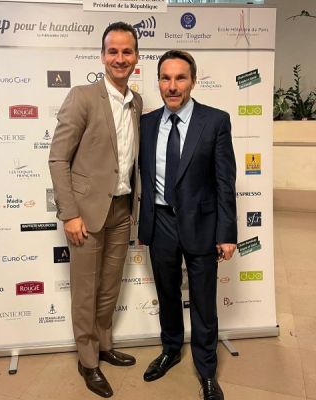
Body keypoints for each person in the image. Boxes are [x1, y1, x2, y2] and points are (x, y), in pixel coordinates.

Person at [49, 22, 142, 398]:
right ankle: (88, 361)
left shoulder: (136, 102)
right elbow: (58, 159)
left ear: (136, 57)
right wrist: (69, 214)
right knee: (86, 290)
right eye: (113, 51)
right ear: (102, 56)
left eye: (126, 51)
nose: (120, 58)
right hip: (85, 213)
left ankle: (104, 345)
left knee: (109, 287)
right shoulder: (82, 97)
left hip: (121, 209)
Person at [138, 50, 237, 400]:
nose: (172, 86)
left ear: (193, 81)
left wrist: (226, 233)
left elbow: (225, 182)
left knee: (204, 303)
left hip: (203, 225)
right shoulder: (147, 123)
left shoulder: (215, 121)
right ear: (158, 82)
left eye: (180, 78)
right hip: (160, 222)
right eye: (166, 78)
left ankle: (207, 371)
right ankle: (170, 350)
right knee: (167, 295)